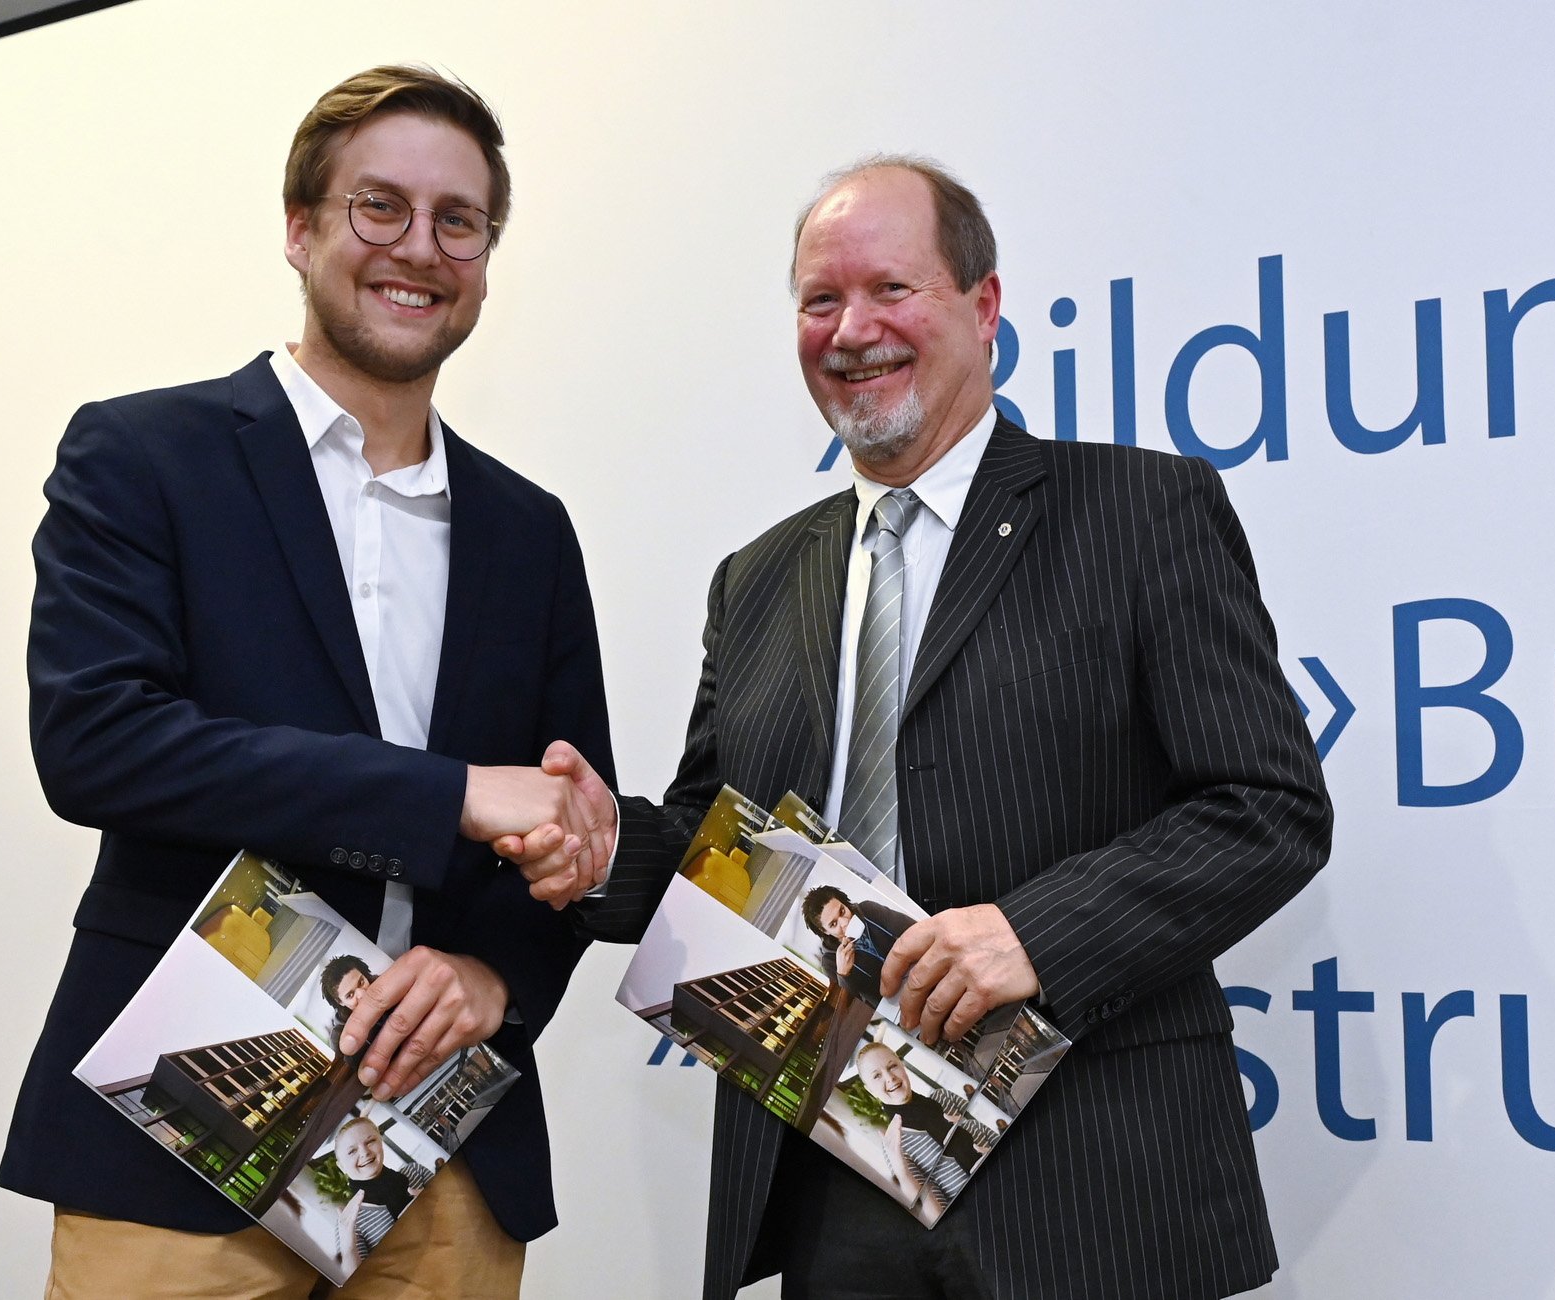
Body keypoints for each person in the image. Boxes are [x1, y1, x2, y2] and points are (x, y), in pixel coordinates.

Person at [502, 155, 1332, 1299]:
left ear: (982, 308)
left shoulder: (1142, 512)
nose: (853, 330)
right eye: (818, 300)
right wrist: (605, 854)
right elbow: (719, 846)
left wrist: (1034, 933)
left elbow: (1267, 809)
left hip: (1090, 1178)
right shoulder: (757, 577)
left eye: (892, 289)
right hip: (834, 1165)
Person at [0, 66, 613, 1300]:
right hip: (182, 1127)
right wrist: (444, 796)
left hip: (444, 1149)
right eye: (379, 206)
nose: (419, 249)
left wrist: (495, 976)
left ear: (486, 260)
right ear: (300, 228)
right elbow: (98, 743)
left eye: (459, 221)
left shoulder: (529, 528)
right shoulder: (140, 454)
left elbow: (570, 819)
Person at [853, 1043, 992, 1217]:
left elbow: (989, 1135)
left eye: (892, 1066)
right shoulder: (895, 1145)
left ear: (902, 1065)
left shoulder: (943, 1097)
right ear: (870, 1090)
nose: (889, 1077)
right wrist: (903, 1173)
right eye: (877, 1076)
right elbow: (937, 1215)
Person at [328, 1117, 432, 1273]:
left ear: (381, 1142)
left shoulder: (415, 1171)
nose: (364, 1152)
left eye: (370, 1141)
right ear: (341, 1166)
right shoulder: (349, 1221)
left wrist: (436, 1200)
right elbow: (360, 1284)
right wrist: (348, 1247)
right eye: (352, 1151)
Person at [799, 884, 915, 1004]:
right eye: (833, 924)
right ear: (824, 931)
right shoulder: (830, 963)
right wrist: (843, 975)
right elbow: (848, 1008)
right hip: (894, 1004)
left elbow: (911, 928)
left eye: (842, 911)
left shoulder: (867, 910)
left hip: (914, 969)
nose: (845, 922)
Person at [320, 953, 381, 1052]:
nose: (362, 994)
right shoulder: (339, 1039)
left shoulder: (385, 983)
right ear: (340, 1002)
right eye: (350, 995)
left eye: (361, 983)